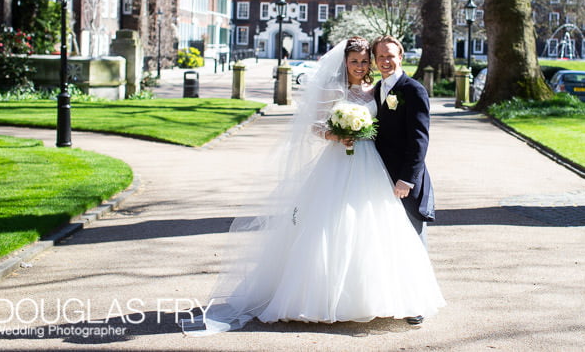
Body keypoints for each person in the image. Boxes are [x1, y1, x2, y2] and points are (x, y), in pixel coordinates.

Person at [185, 37, 444, 334]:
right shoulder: (335, 89)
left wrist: (403, 173)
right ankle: (319, 297)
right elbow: (315, 125)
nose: (361, 66)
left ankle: (391, 297)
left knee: (379, 228)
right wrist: (337, 136)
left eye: (364, 61)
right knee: (328, 226)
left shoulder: (383, 90)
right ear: (345, 63)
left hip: (373, 166)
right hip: (338, 163)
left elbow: (414, 137)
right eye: (355, 61)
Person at [372, 35, 435, 248]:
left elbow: (419, 139)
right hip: (380, 176)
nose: (385, 61)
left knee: (413, 238)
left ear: (400, 56)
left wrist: (407, 179)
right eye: (380, 56)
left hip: (404, 180)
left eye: (390, 56)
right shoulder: (377, 88)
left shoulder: (413, 90)